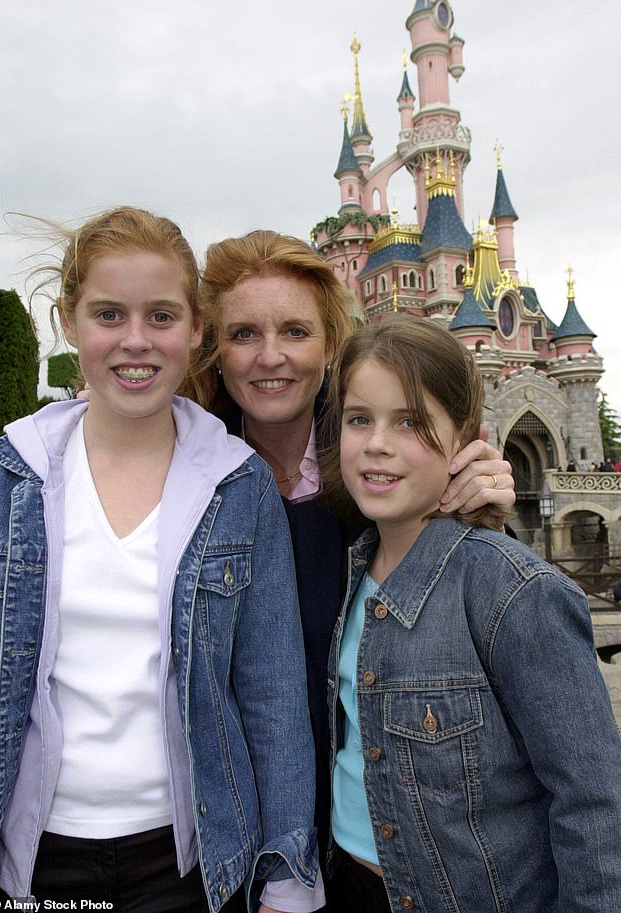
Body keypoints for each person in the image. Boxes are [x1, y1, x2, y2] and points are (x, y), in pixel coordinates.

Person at [0, 208, 323, 913]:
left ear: (196, 328)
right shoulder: (8, 477)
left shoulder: (238, 483)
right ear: (68, 321)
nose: (135, 340)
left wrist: (288, 875)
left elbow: (273, 696)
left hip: (191, 859)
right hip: (32, 852)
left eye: (161, 316)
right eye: (109, 314)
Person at [179, 229, 516, 889]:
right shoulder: (187, 476)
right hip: (237, 832)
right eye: (243, 333)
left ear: (331, 344)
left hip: (380, 838)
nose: (269, 357)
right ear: (214, 347)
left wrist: (478, 509)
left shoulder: (380, 475)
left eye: (296, 332)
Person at [322, 315, 621, 913]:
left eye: (410, 422)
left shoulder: (511, 591)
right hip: (349, 886)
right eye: (360, 420)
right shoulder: (346, 568)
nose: (377, 442)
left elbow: (594, 802)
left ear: (467, 440)